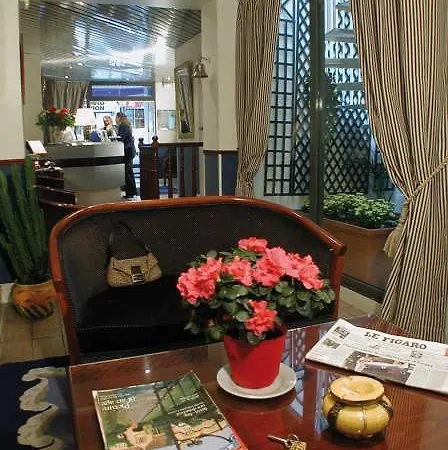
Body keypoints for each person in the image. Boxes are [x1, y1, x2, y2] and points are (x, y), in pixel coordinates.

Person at [115, 112, 137, 199]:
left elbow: (121, 138)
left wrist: (115, 138)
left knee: (126, 173)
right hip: (130, 151)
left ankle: (130, 192)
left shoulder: (123, 126)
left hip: (127, 151)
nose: (115, 119)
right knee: (129, 172)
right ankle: (132, 191)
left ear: (119, 118)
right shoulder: (126, 125)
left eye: (116, 117)